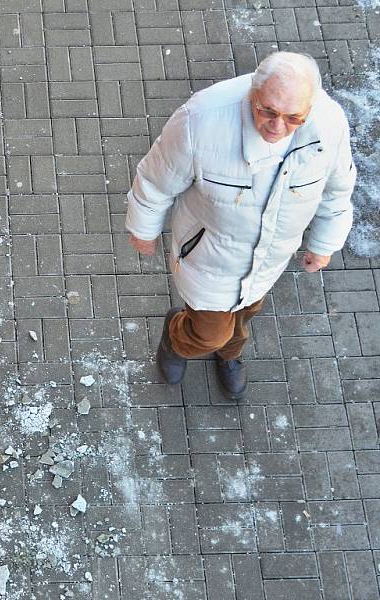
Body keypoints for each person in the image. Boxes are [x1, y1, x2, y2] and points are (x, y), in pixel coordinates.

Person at [126, 51, 355, 400]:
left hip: (269, 262)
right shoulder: (200, 120)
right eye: (268, 111)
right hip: (209, 261)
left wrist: (324, 243)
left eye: (294, 117)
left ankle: (229, 354)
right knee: (209, 332)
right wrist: (143, 229)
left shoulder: (330, 124)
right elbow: (155, 181)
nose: (278, 127)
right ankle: (178, 339)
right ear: (252, 92)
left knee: (244, 316)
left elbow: (338, 189)